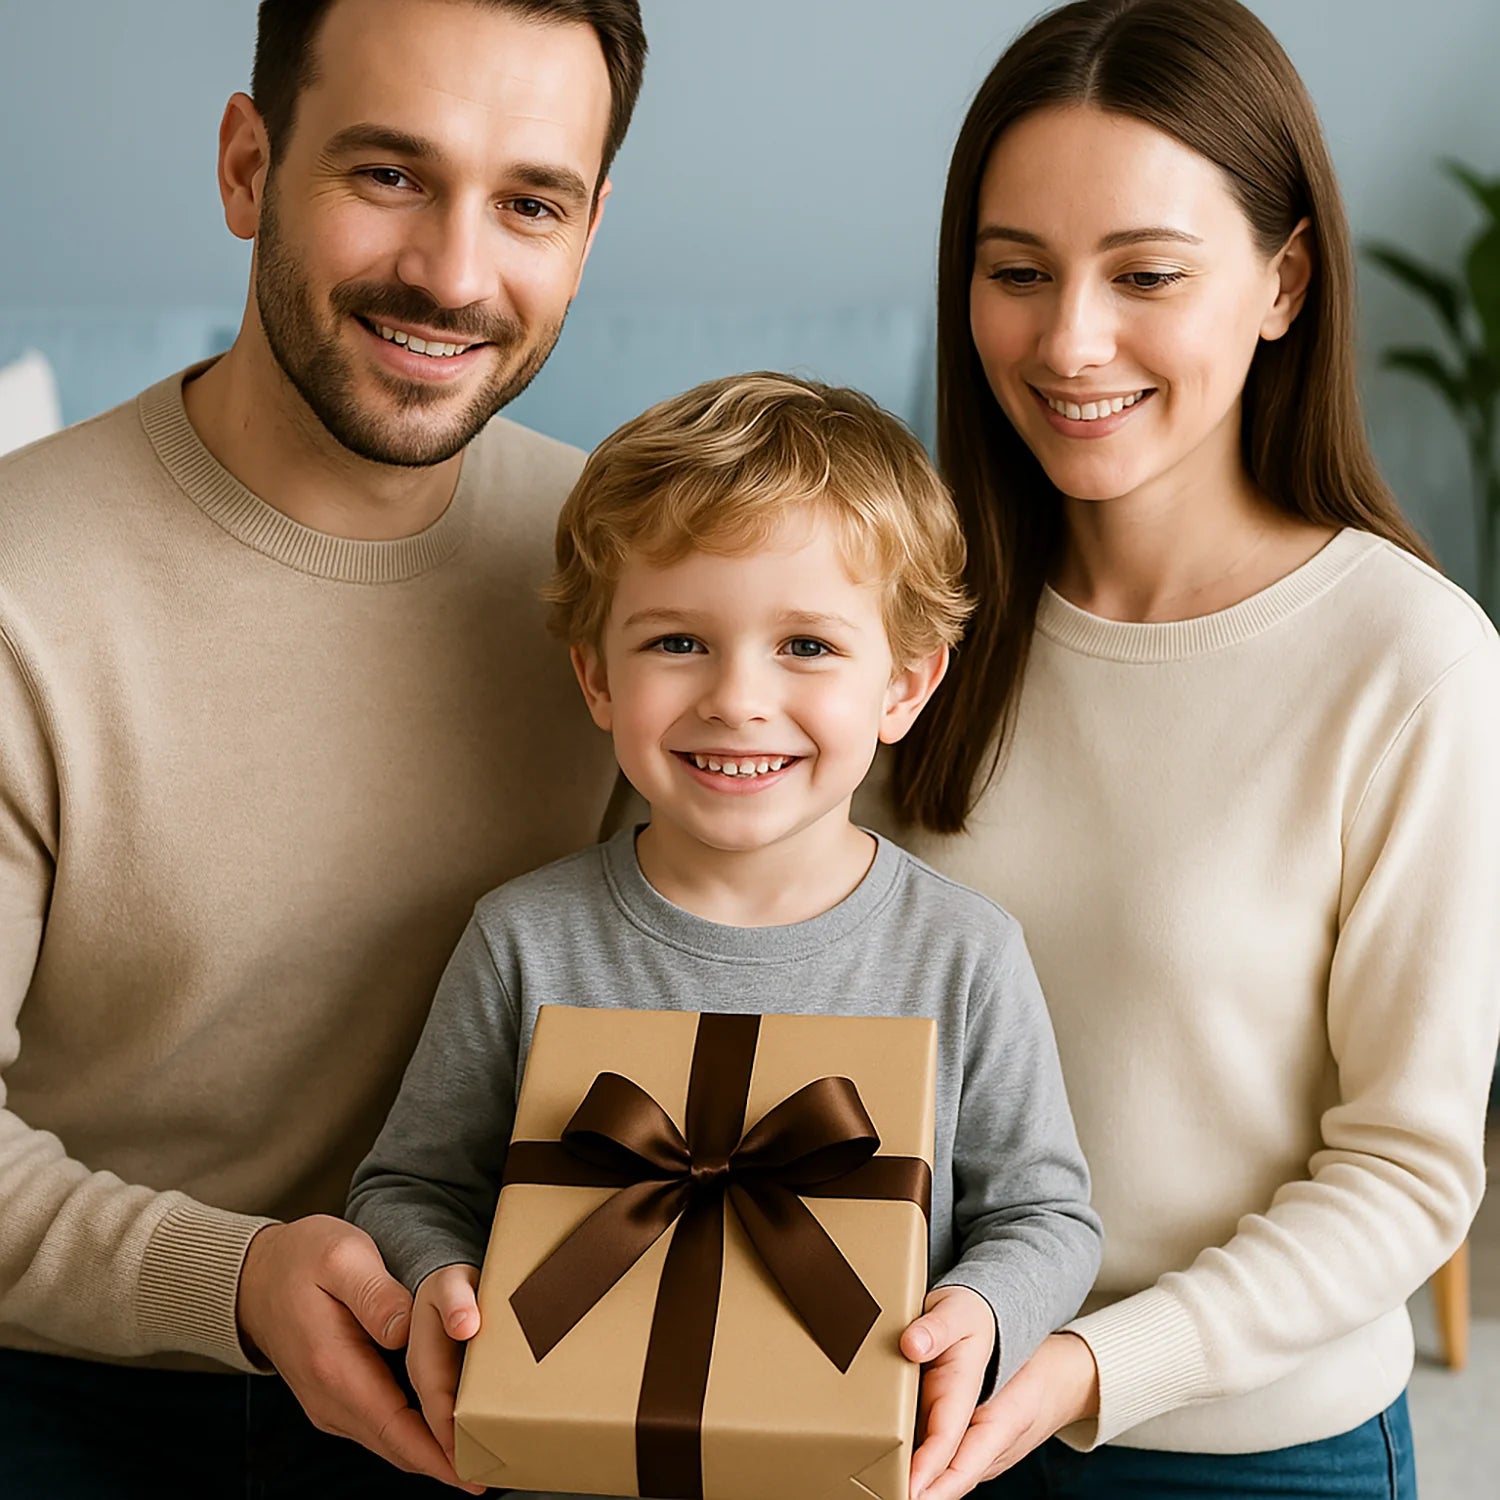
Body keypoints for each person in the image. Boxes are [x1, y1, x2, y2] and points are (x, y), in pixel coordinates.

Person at [0, 0, 646, 1493]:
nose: (454, 273)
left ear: (591, 230)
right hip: (82, 1381)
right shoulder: (27, 593)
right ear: (248, 164)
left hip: (507, 1367)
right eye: (388, 175)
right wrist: (231, 1280)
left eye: (529, 202)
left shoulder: (645, 584)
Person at [856, 1, 1500, 1496]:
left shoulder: (1409, 661)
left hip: (1245, 1450)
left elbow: (1409, 1170)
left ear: (1282, 282)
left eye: (1144, 273)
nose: (1068, 339)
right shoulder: (898, 620)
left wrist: (1089, 1364)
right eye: (1016, 273)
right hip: (896, 1415)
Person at [346, 372, 1105, 1499]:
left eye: (806, 646)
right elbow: (408, 1184)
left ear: (904, 685)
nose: (738, 699)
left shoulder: (964, 953)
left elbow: (1047, 1215)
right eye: (677, 644)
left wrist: (979, 1312)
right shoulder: (523, 938)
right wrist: (443, 1277)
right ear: (596, 673)